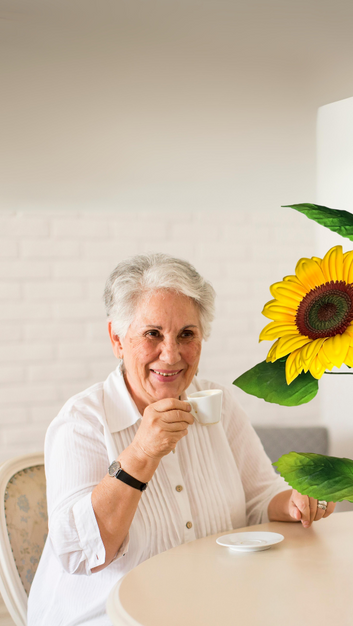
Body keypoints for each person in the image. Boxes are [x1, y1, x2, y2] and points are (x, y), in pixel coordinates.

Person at [28, 253, 336, 625]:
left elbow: (259, 497)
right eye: (152, 334)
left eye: (186, 334)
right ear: (117, 339)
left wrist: (292, 502)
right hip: (106, 616)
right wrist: (142, 453)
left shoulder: (218, 404)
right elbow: (80, 554)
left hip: (206, 606)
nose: (170, 354)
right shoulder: (81, 423)